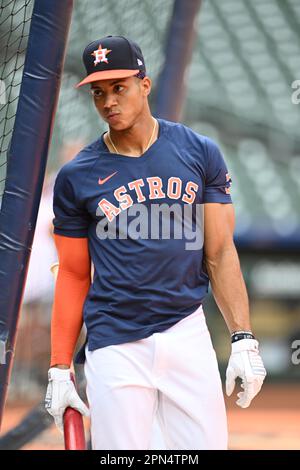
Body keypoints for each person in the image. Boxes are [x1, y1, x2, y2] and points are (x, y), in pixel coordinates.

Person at [45, 35, 266, 450]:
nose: (108, 101)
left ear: (144, 85)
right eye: (98, 92)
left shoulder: (199, 152)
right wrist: (60, 366)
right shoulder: (77, 177)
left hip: (186, 329)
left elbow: (218, 251)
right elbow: (74, 273)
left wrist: (243, 337)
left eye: (119, 87)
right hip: (115, 341)